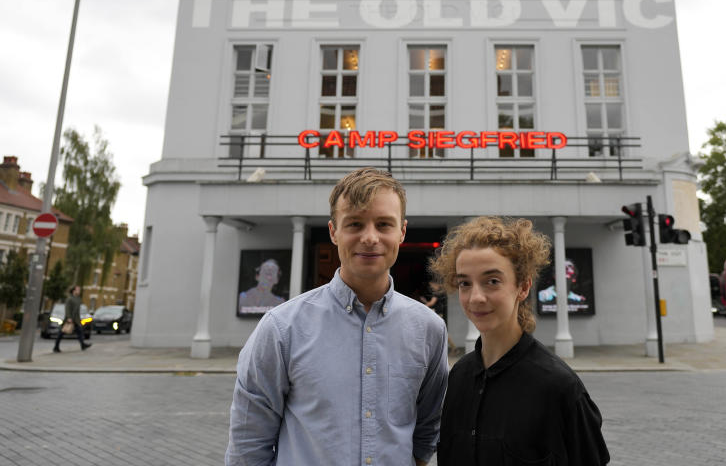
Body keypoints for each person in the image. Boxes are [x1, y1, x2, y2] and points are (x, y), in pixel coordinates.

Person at [226, 167, 449, 466]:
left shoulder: (430, 329)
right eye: (355, 224)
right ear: (333, 231)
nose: (370, 238)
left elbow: (427, 429)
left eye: (384, 224)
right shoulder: (282, 328)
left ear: (402, 231)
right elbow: (248, 443)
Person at [430, 216, 610, 465]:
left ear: (523, 287)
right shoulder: (459, 375)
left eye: (492, 281)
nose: (475, 298)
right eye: (465, 283)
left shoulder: (559, 387)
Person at [54, 285, 91, 353]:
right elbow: (67, 308)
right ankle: (56, 346)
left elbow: (77, 310)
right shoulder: (70, 299)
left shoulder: (78, 298)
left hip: (76, 319)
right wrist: (69, 317)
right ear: (74, 291)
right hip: (70, 318)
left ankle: (83, 345)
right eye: (78, 290)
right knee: (62, 332)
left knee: (80, 332)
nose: (79, 291)